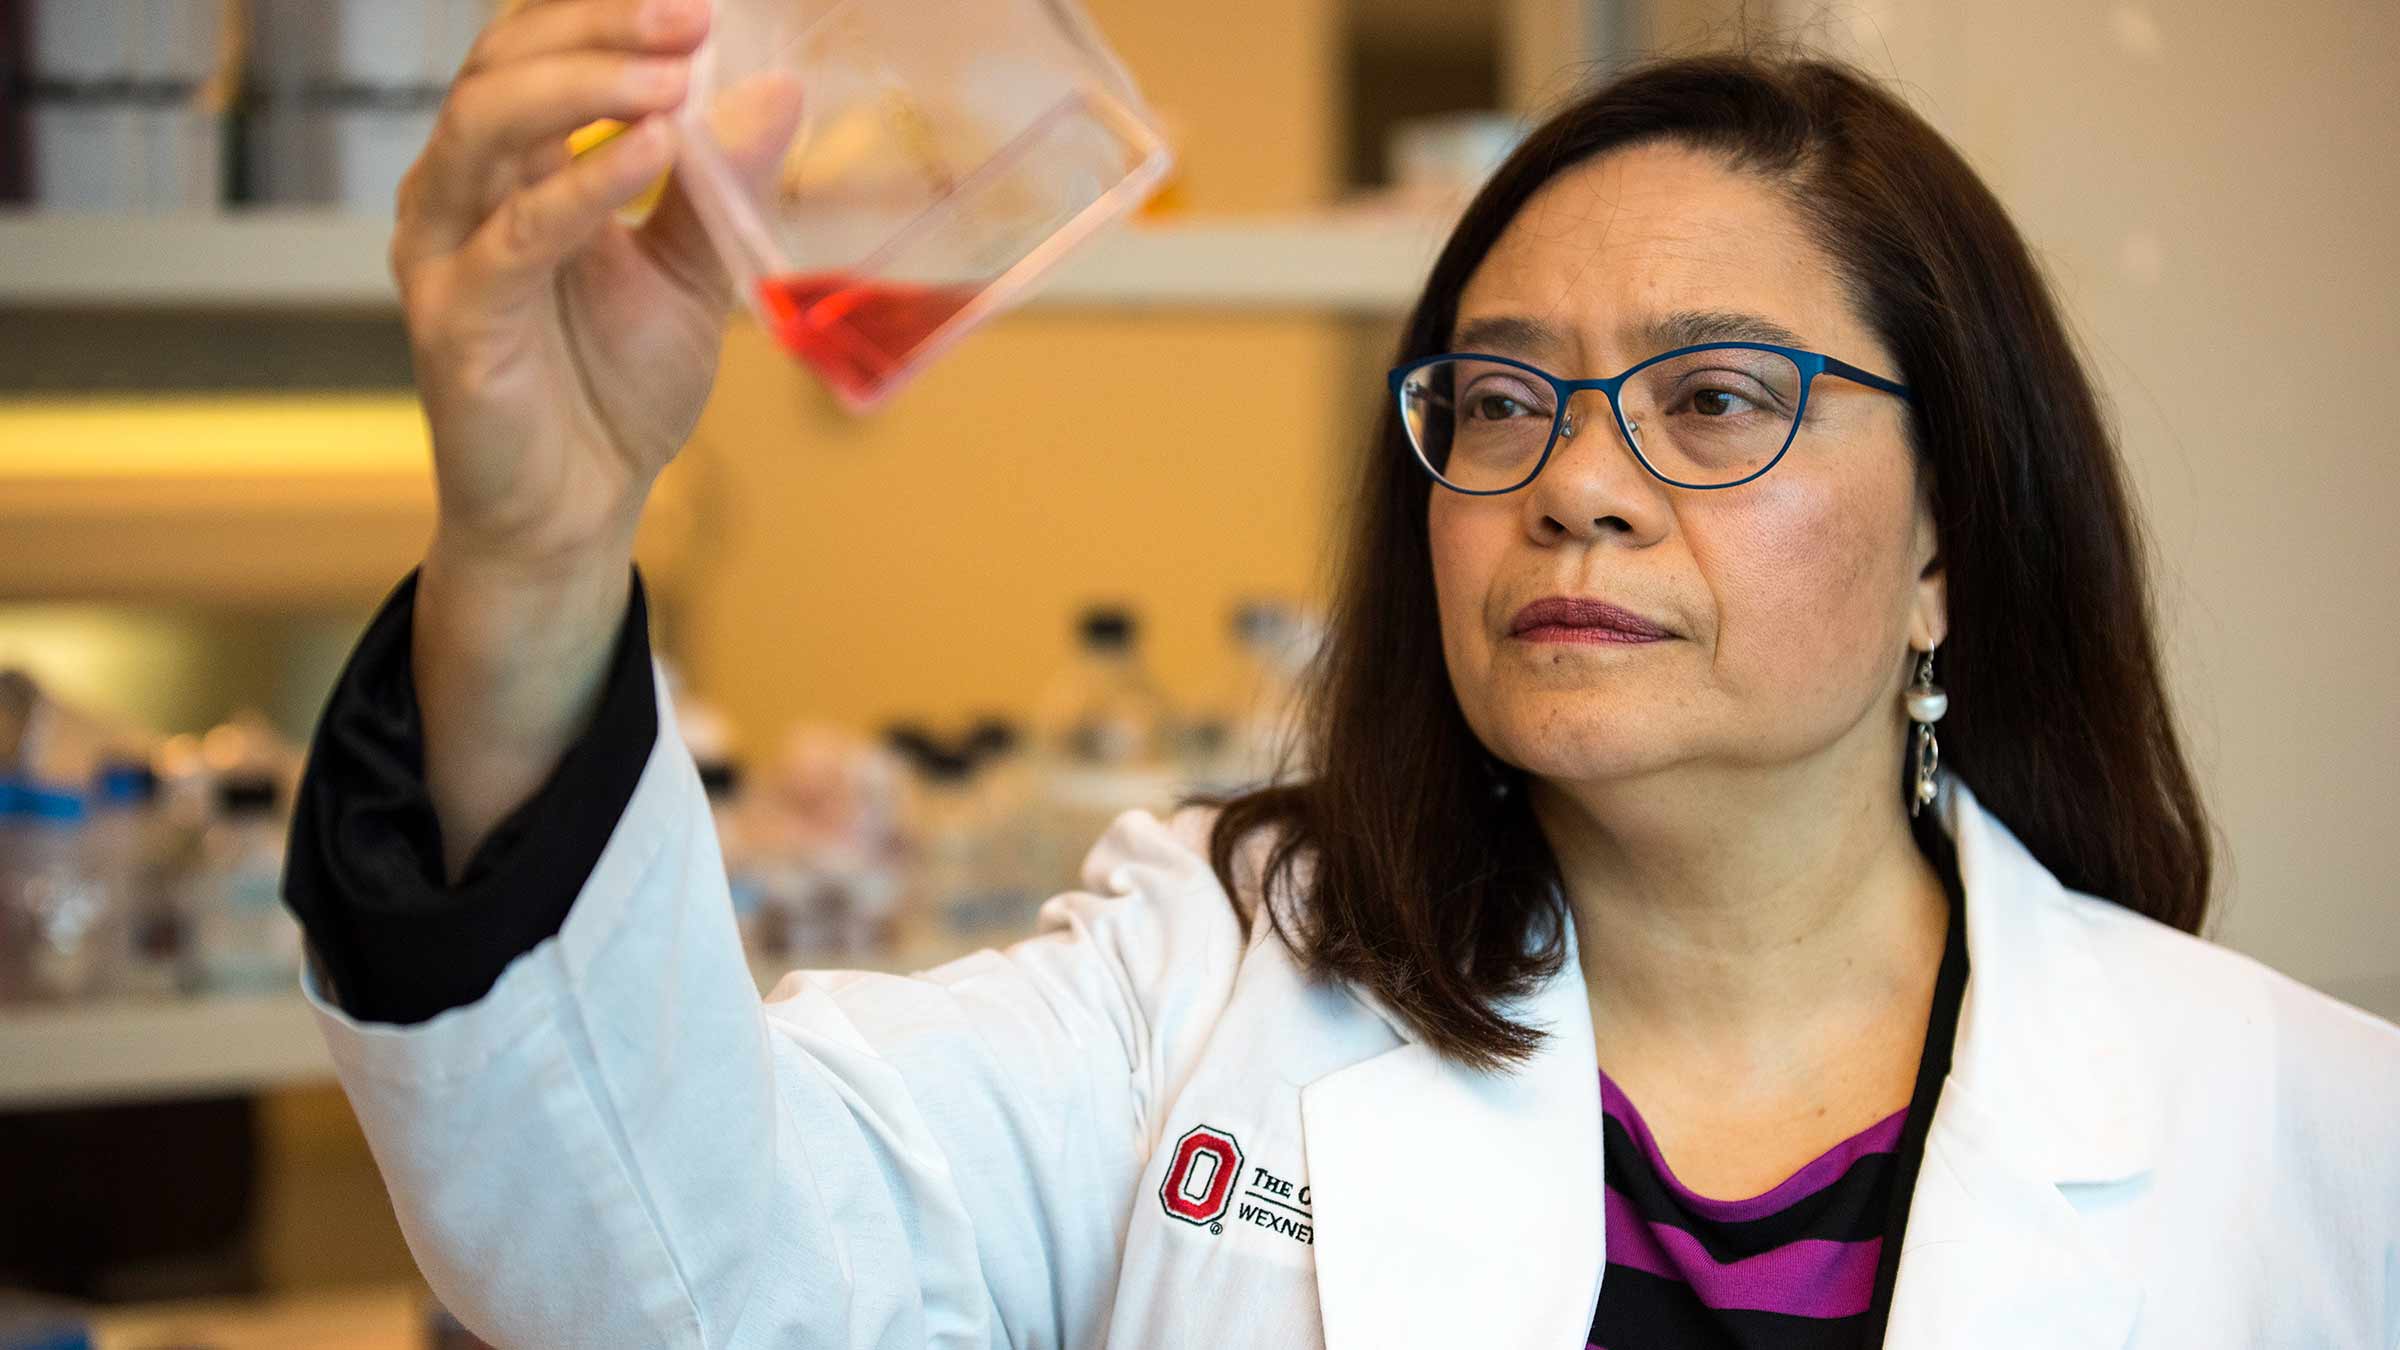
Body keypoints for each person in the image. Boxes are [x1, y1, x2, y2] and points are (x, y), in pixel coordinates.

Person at [279, 2, 2400, 1345]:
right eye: (1496, 402)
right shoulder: (1197, 986)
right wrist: (538, 549)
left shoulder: (2322, 1141)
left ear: (1950, 530)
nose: (1576, 485)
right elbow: (657, 1272)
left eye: (1720, 399)